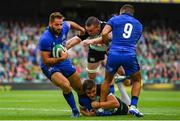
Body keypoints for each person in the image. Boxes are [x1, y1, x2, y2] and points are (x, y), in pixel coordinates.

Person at [38, 12, 91, 118]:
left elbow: (70, 23)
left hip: (63, 62)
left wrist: (81, 29)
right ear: (50, 24)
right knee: (66, 85)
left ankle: (88, 109)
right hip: (50, 65)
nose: (60, 27)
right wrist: (61, 58)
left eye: (61, 24)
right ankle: (75, 111)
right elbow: (45, 61)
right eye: (57, 25)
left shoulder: (64, 27)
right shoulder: (45, 39)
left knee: (79, 88)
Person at [98, 4, 144, 117]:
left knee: (107, 80)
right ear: (132, 13)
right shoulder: (138, 24)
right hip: (129, 54)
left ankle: (102, 108)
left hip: (114, 53)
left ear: (121, 11)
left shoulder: (114, 19)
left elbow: (104, 33)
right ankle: (133, 106)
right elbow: (134, 41)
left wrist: (107, 45)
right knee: (137, 80)